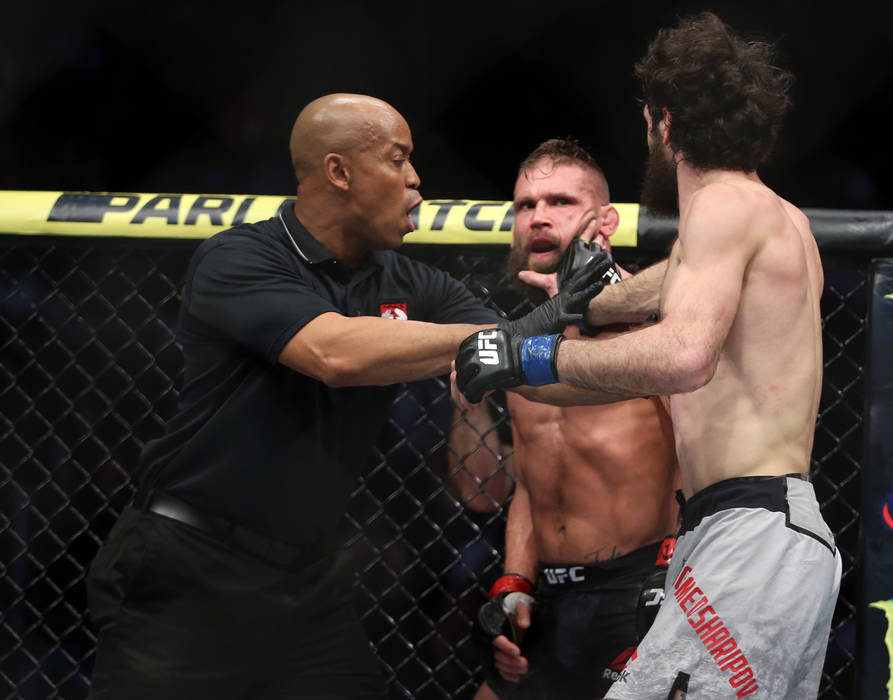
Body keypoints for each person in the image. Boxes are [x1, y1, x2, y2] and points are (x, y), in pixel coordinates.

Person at [85, 93, 610, 700]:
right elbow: (333, 355)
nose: (416, 178)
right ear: (339, 172)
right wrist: (511, 335)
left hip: (307, 577)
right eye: (398, 159)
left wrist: (630, 345)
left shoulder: (410, 280)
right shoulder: (240, 258)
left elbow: (526, 364)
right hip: (188, 564)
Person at [455, 13, 841, 699]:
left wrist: (532, 357)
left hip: (747, 534)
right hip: (761, 531)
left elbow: (684, 353)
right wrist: (567, 313)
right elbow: (648, 301)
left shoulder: (721, 207)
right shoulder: (777, 217)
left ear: (662, 123)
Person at [448, 139, 680, 700]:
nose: (539, 217)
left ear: (605, 221)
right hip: (548, 600)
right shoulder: (514, 340)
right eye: (525, 205)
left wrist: (675, 581)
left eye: (559, 201)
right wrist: (515, 582)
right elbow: (508, 487)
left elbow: (706, 460)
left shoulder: (657, 326)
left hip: (643, 587)